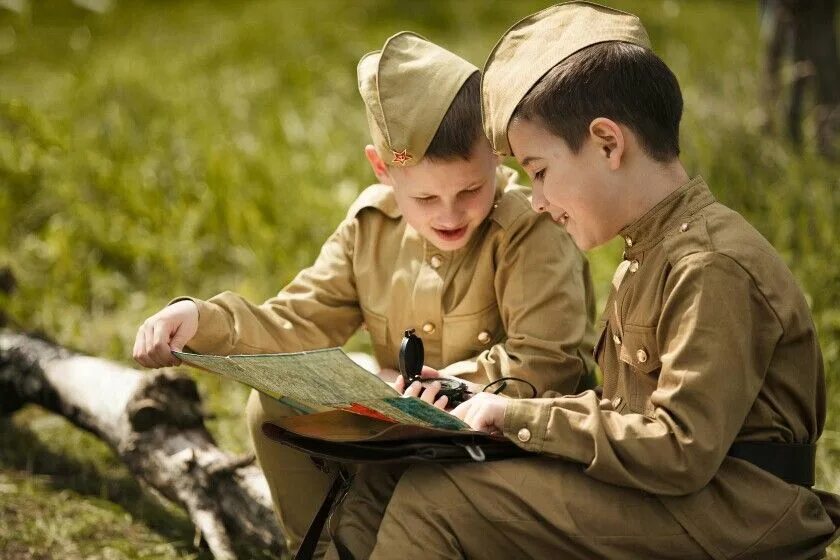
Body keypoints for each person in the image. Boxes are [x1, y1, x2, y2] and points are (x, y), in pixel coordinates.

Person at [333, 3, 840, 559]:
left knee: (441, 500)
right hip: (690, 500)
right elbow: (630, 419)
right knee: (392, 475)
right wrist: (483, 403)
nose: (540, 201)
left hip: (737, 517)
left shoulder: (709, 264)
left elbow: (678, 448)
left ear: (607, 143)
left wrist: (516, 417)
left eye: (540, 171)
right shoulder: (653, 249)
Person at [132, 31, 597, 558]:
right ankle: (328, 548)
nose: (449, 213)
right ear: (382, 168)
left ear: (495, 155)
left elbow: (547, 364)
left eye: (470, 189)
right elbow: (297, 322)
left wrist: (449, 387)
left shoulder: (530, 232)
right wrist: (201, 319)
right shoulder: (370, 227)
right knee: (270, 407)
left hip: (506, 445)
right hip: (401, 439)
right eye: (424, 196)